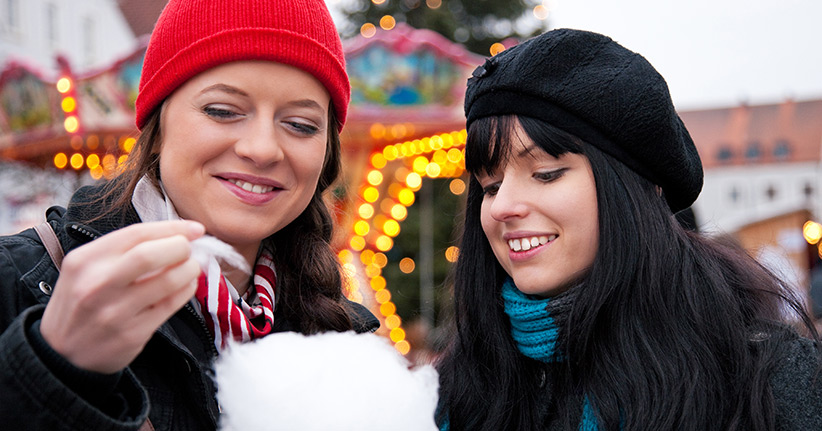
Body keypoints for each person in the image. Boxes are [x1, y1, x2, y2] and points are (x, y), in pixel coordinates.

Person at [0, 0, 378, 429]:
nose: (263, 148)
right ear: (157, 129)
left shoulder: (343, 333)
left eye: (301, 124)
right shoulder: (22, 280)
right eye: (221, 111)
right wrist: (54, 370)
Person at [435, 28, 822, 431]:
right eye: (490, 186)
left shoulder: (765, 379)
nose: (501, 207)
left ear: (634, 186)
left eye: (546, 174)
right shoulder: (457, 394)